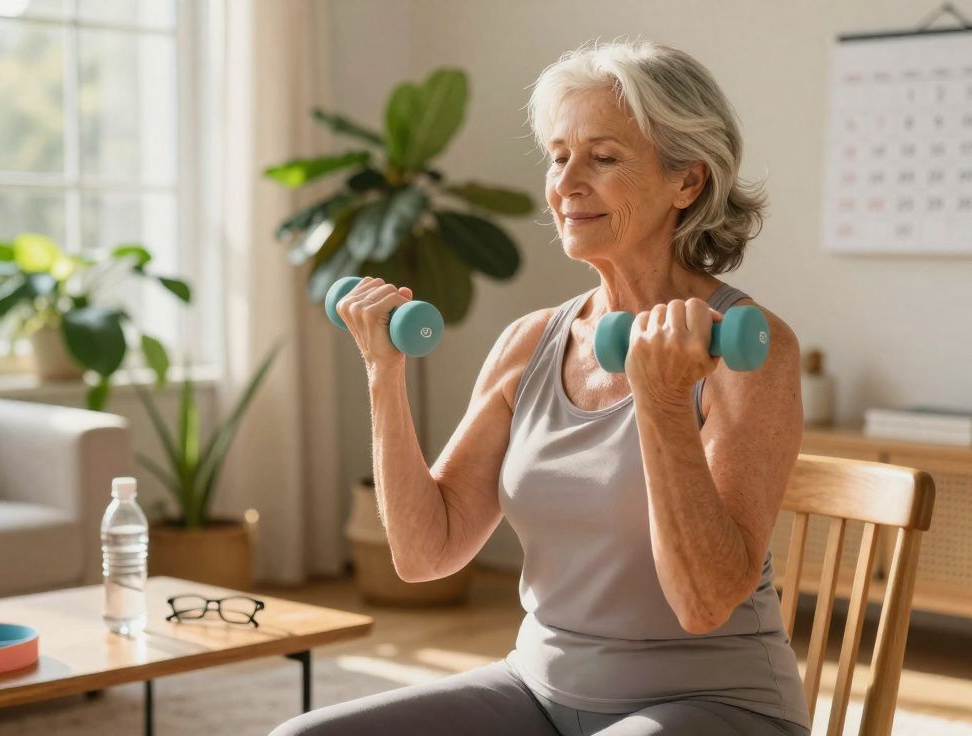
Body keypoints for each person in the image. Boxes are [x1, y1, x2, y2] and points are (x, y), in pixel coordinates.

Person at [271, 38, 808, 736]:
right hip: (536, 689)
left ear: (688, 182)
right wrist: (384, 372)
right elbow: (426, 553)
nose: (566, 184)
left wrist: (665, 401)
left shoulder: (749, 350)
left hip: (715, 704)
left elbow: (705, 603)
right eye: (560, 157)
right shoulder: (531, 344)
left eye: (604, 158)